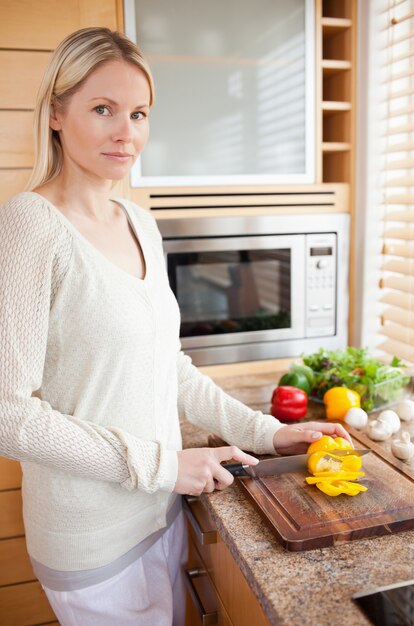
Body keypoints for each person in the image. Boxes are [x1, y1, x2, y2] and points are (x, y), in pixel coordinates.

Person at [0, 27, 352, 626]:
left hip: (160, 513)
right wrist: (167, 466)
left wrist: (269, 433)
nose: (125, 132)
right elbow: (9, 416)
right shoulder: (30, 227)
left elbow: (171, 368)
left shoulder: (140, 223)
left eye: (138, 113)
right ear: (56, 113)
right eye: (103, 109)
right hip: (92, 538)